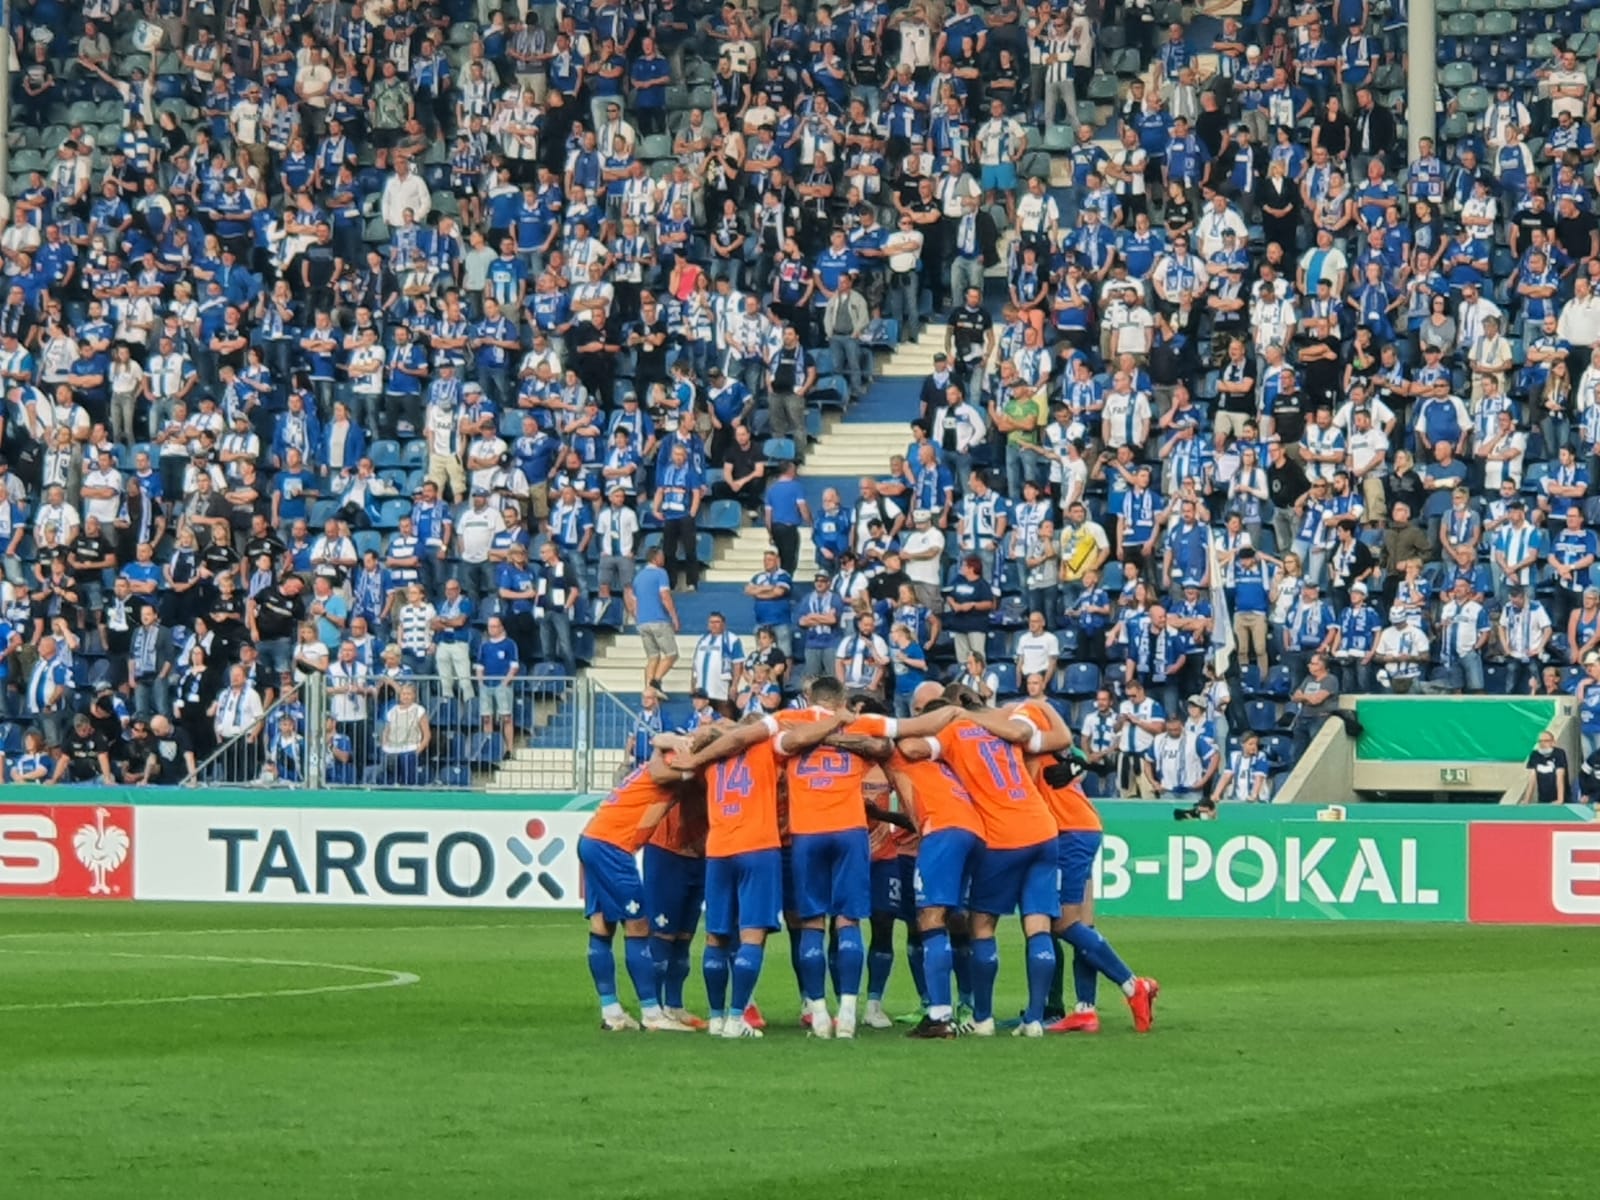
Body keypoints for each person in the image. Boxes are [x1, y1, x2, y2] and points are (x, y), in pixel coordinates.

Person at [578, 747, 702, 1033]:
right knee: (638, 926)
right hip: (612, 847)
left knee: (602, 926)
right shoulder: (662, 773)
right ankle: (651, 1012)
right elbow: (665, 770)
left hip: (593, 839)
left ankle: (612, 1013)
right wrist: (691, 768)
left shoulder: (654, 764)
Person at [1524, 730, 1570, 806]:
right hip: (1543, 799)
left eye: (1546, 741)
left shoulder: (1559, 753)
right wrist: (1526, 800)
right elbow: (1532, 779)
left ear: (1553, 742)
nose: (1542, 744)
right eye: (1540, 741)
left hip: (1562, 799)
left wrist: (1560, 800)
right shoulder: (1534, 755)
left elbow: (1560, 776)